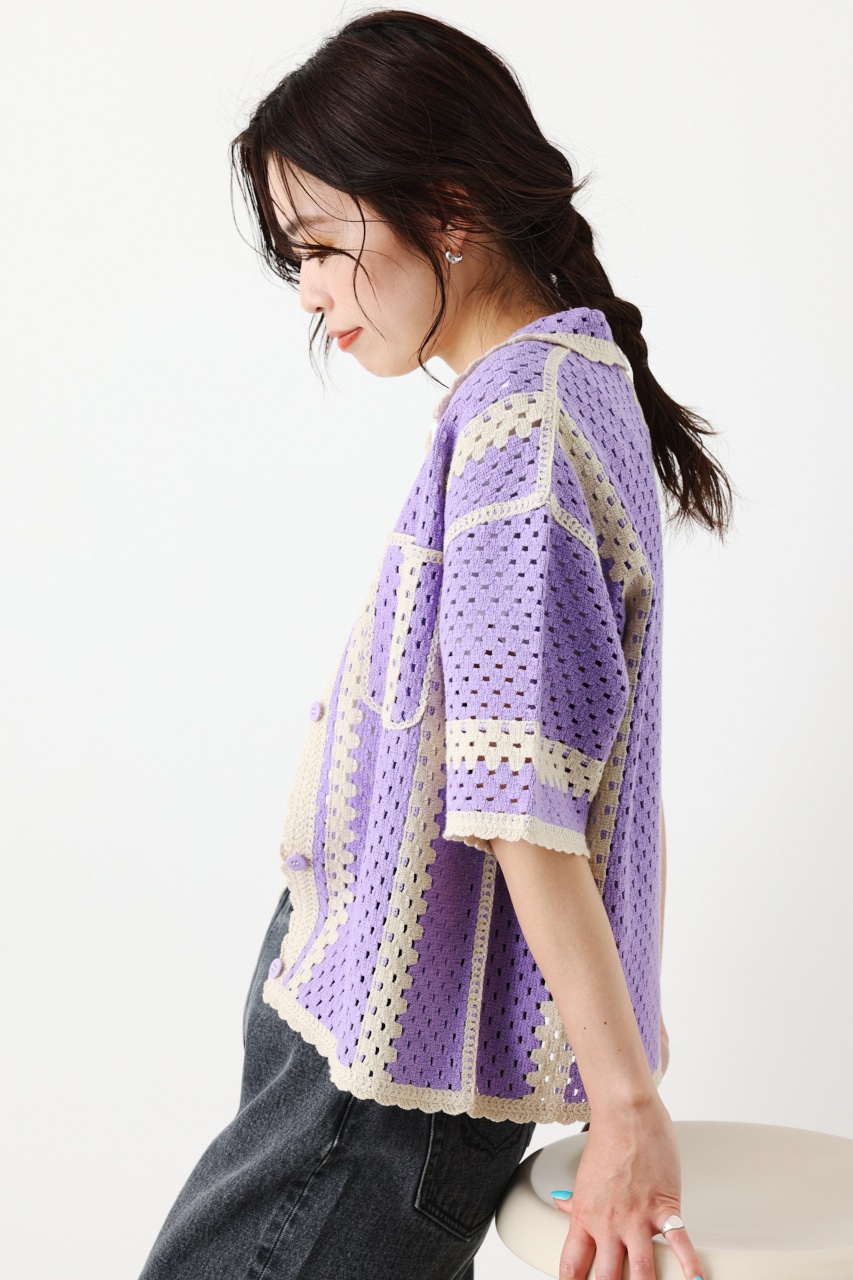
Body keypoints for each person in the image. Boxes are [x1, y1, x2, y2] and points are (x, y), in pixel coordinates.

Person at [138, 10, 734, 1280]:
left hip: (378, 1077)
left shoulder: (523, 423)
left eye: (321, 246)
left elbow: (525, 798)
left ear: (449, 208)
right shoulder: (568, 382)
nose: (309, 291)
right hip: (375, 1034)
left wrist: (627, 1102)